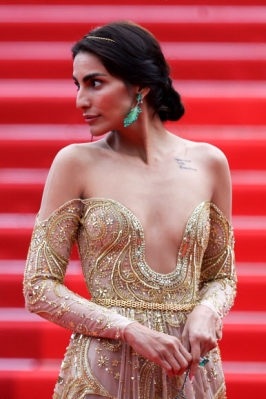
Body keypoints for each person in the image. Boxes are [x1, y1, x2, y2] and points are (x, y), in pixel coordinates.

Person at [23, 21, 237, 399]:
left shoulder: (209, 163)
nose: (80, 101)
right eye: (78, 85)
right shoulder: (75, 163)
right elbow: (38, 288)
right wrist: (128, 329)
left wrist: (207, 311)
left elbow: (222, 277)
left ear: (140, 85)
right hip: (102, 375)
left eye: (95, 83)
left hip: (190, 375)